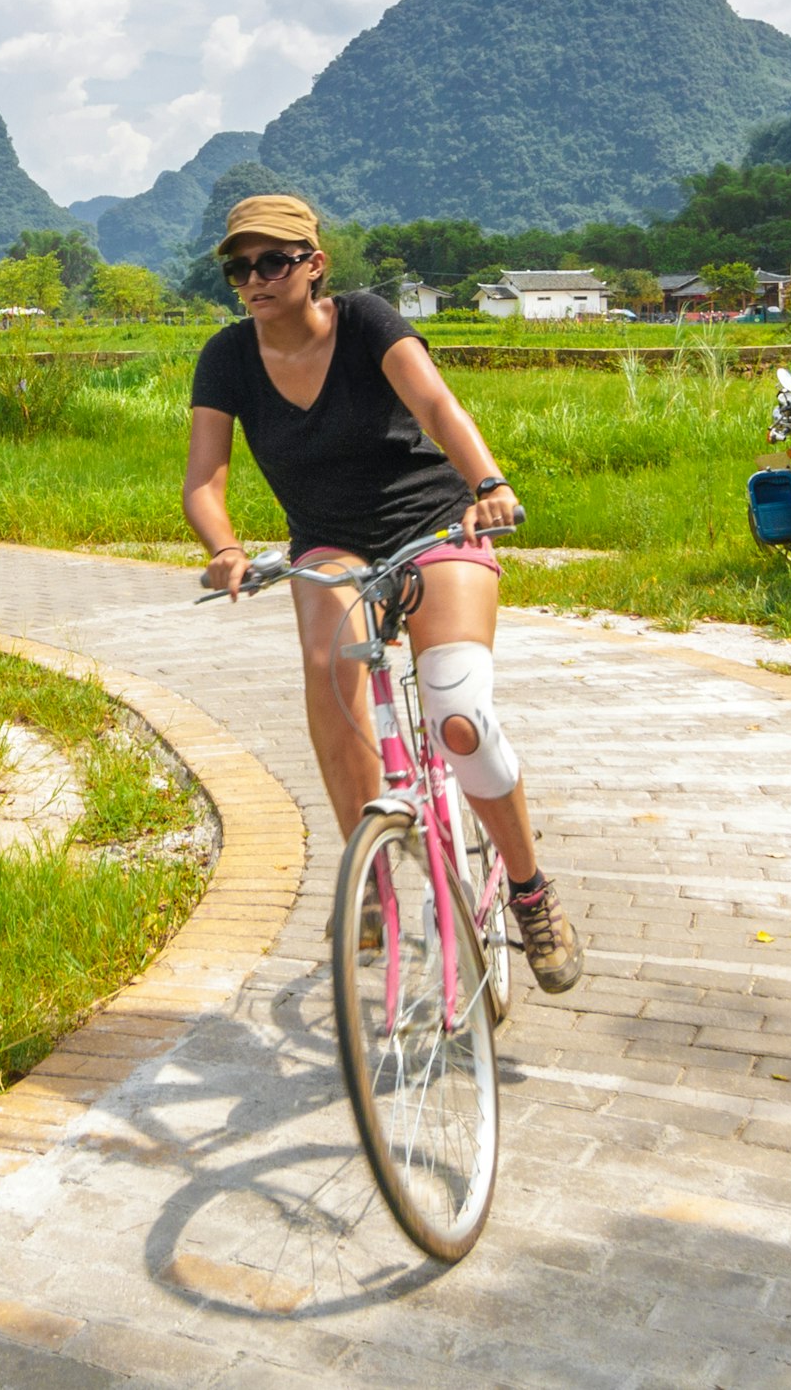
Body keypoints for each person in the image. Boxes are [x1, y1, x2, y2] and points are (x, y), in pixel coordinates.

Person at [181, 193, 582, 992]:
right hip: (328, 544)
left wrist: (490, 484)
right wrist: (224, 548)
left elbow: (437, 405)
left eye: (273, 261)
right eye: (239, 267)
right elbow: (204, 480)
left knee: (459, 716)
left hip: (434, 525)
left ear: (313, 264)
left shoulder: (366, 321)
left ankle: (531, 894)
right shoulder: (225, 357)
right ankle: (368, 878)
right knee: (331, 680)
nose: (255, 279)